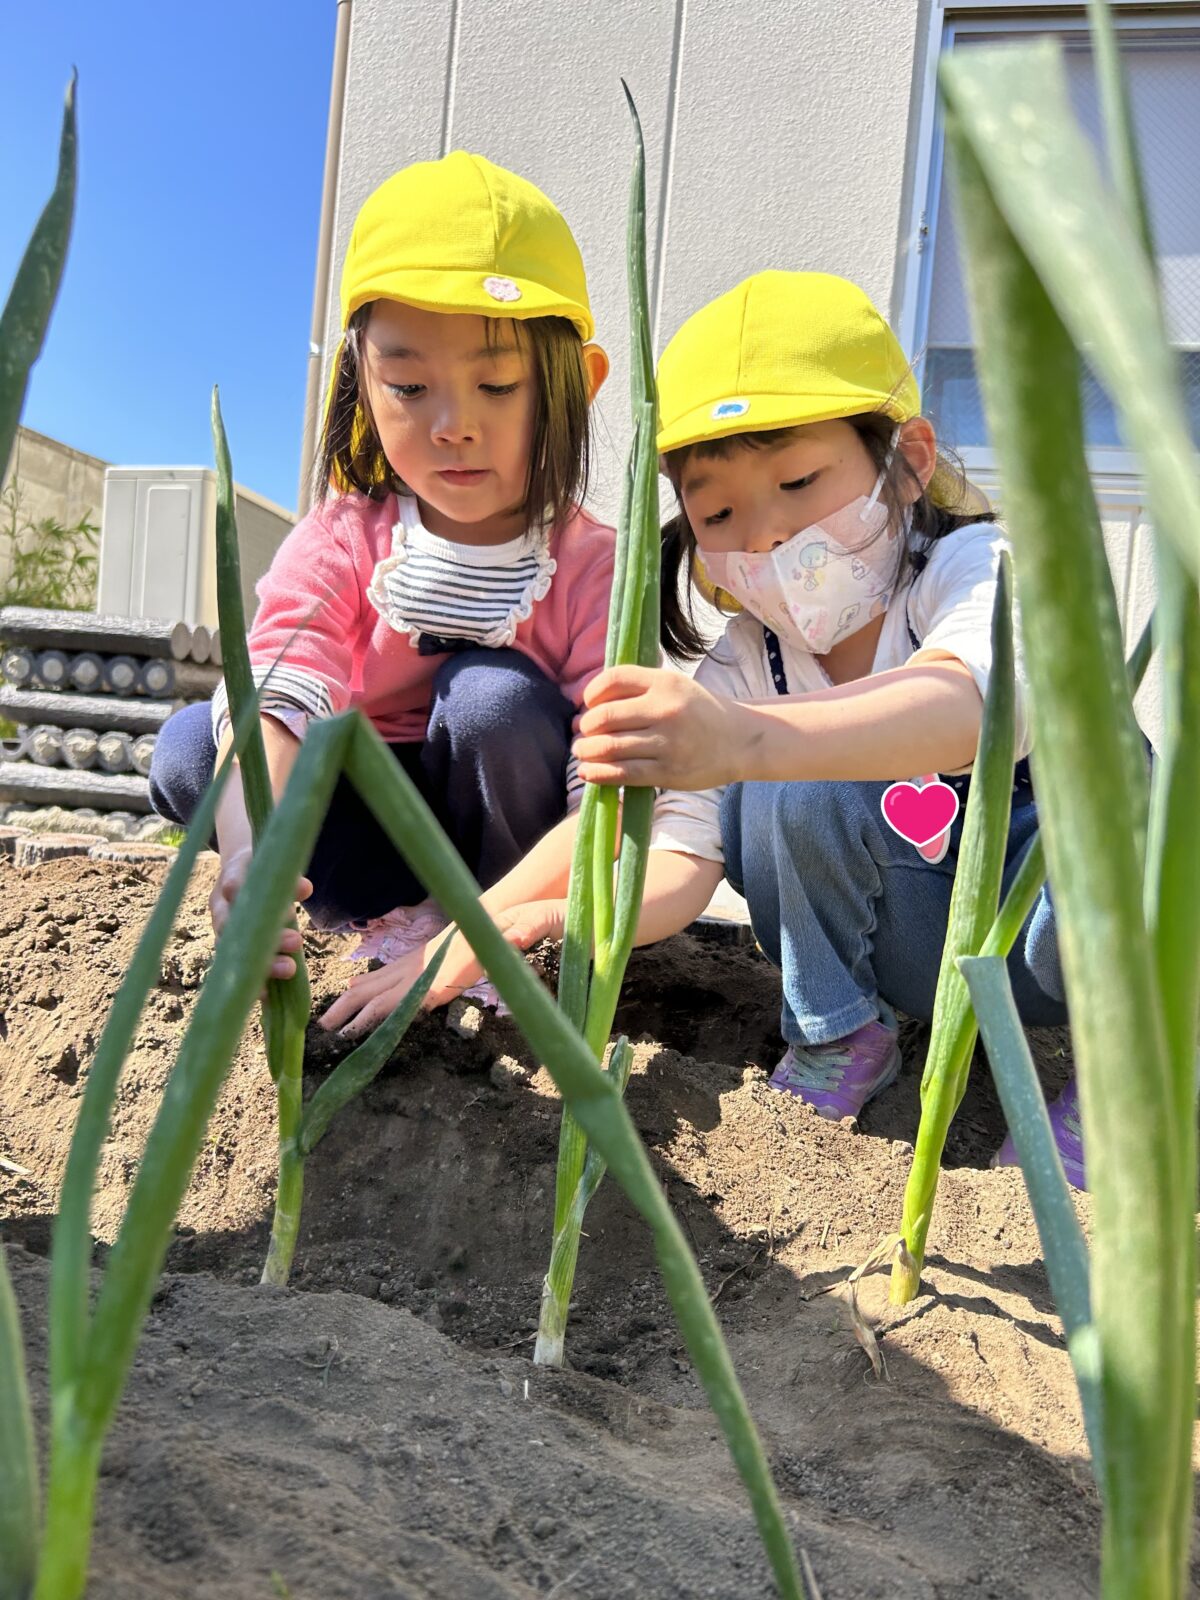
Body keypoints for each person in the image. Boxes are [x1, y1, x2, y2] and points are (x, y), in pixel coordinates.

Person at [530, 271, 1079, 1183]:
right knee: (789, 771)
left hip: (1051, 945)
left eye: (798, 481)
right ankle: (839, 1032)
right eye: (720, 514)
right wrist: (519, 922)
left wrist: (745, 739)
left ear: (906, 461)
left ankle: (1118, 1088)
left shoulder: (975, 567)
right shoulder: (747, 664)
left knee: (1126, 790)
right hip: (913, 953)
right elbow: (678, 858)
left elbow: (980, 706)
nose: (770, 536)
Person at [149, 151, 615, 1022]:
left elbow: (610, 790)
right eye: (408, 385)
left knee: (491, 700)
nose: (454, 426)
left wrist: (500, 920)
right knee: (191, 750)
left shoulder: (590, 566)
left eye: (498, 384)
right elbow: (282, 695)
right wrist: (256, 850)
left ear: (576, 386)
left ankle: (494, 943)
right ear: (361, 384)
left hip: (510, 848)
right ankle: (370, 920)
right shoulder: (344, 536)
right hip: (367, 824)